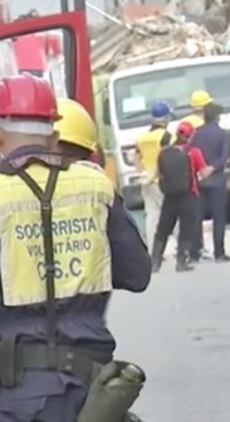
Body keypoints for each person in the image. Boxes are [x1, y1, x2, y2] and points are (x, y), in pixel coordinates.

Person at [0, 75, 150, 422]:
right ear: (53, 136)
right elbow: (137, 274)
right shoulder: (96, 185)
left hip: (13, 396)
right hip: (90, 390)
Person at [151, 121, 213, 273]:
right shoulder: (194, 152)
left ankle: (155, 261)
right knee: (186, 229)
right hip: (189, 194)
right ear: (191, 135)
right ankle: (181, 261)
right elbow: (204, 173)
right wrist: (214, 167)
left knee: (163, 229)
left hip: (169, 195)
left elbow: (158, 173)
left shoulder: (164, 151)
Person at [191, 102, 230, 263]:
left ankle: (195, 252)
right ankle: (219, 252)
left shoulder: (196, 134)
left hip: (199, 180)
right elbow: (224, 157)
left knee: (197, 217)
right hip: (217, 180)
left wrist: (201, 169)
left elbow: (192, 153)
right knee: (219, 218)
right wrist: (212, 168)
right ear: (217, 117)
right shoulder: (223, 134)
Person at [134, 100, 172, 245]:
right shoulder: (166, 137)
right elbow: (166, 157)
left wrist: (143, 172)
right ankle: (181, 250)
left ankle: (151, 248)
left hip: (146, 181)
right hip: (161, 180)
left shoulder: (142, 137)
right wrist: (154, 175)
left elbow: (136, 156)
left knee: (152, 216)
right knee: (170, 214)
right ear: (166, 118)